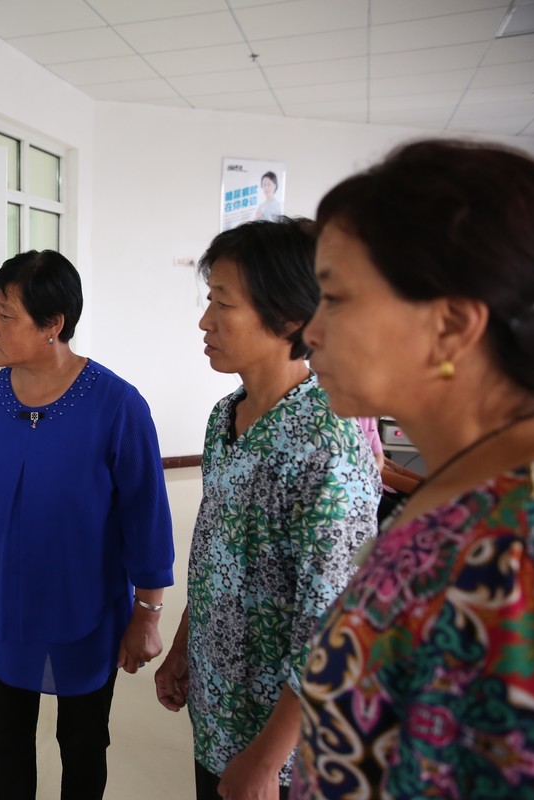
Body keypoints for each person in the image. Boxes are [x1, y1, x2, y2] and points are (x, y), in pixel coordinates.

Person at [293, 139, 534, 799]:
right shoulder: (469, 485)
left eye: (336, 298)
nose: (311, 331)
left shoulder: (515, 554)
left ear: (452, 324)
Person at [0, 249, 175, 800]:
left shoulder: (117, 406)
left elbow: (147, 522)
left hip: (85, 612)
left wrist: (148, 613)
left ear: (53, 325)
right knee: (6, 743)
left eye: (5, 316)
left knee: (84, 744)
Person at [153, 219, 379, 800]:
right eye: (209, 300)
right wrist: (184, 647)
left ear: (288, 317)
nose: (205, 321)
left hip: (284, 749)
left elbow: (335, 620)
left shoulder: (329, 442)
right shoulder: (225, 416)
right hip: (221, 705)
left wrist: (268, 756)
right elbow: (216, 550)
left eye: (223, 304)